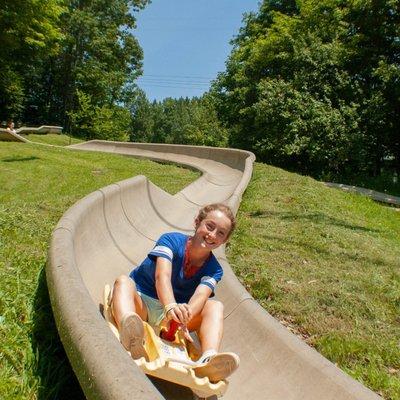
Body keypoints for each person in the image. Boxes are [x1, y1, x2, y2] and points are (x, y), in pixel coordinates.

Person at [111, 203, 240, 382]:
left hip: (173, 320)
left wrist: (184, 317)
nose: (212, 235)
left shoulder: (214, 269)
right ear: (197, 222)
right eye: (210, 226)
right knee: (123, 282)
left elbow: (200, 296)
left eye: (220, 233)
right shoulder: (171, 241)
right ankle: (131, 333)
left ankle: (209, 360)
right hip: (144, 303)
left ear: (224, 240)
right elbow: (161, 276)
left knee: (215, 306)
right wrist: (170, 306)